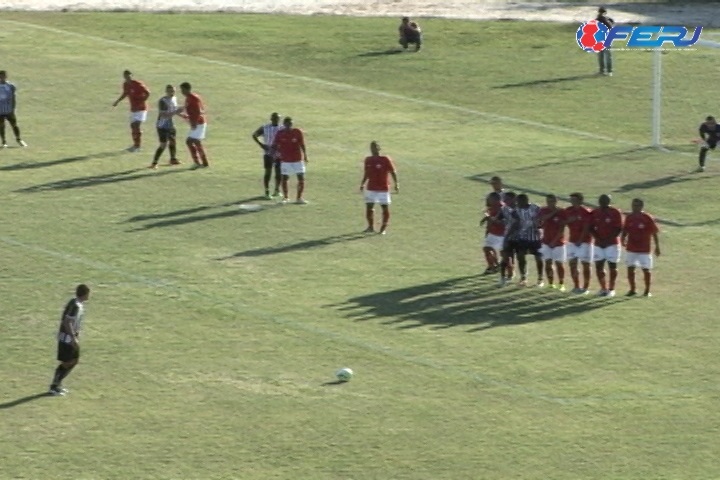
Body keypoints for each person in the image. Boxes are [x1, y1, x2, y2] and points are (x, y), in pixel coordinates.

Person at [49, 284, 90, 396]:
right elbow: (68, 322)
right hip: (67, 339)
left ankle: (57, 384)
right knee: (67, 362)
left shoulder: (76, 303)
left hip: (70, 337)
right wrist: (73, 338)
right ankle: (54, 386)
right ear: (85, 294)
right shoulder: (75, 305)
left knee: (74, 360)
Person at [621, 198, 660, 297]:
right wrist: (622, 239)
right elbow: (625, 230)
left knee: (646, 269)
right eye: (633, 205)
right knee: (630, 268)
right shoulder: (629, 217)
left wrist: (657, 246)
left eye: (637, 205)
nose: (635, 207)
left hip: (644, 249)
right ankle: (632, 289)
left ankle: (647, 291)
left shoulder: (647, 218)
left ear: (642, 206)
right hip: (631, 248)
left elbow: (654, 233)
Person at [360, 141, 399, 234]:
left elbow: (393, 171)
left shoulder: (385, 159)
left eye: (375, 147)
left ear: (379, 148)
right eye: (371, 147)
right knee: (369, 207)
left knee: (384, 208)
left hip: (383, 188)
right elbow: (367, 173)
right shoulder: (368, 160)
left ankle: (383, 229)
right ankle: (370, 227)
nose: (373, 149)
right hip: (371, 187)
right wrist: (362, 183)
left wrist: (396, 183)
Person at [507, 193, 544, 287]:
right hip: (523, 236)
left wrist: (539, 226)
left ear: (525, 201)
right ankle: (523, 277)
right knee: (520, 256)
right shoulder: (517, 210)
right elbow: (515, 221)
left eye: (518, 201)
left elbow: (542, 219)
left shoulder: (535, 208)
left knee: (538, 258)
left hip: (536, 237)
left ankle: (540, 279)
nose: (517, 203)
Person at [590, 194, 623, 297]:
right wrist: (599, 239)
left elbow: (618, 229)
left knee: (612, 266)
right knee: (599, 266)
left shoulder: (615, 212)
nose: (603, 202)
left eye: (605, 201)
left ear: (609, 201)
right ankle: (603, 288)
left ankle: (611, 289)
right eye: (601, 201)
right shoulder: (595, 212)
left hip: (612, 244)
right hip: (598, 244)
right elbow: (591, 227)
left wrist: (607, 241)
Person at [271, 117, 308, 204]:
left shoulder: (297, 132)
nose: (289, 126)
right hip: (286, 160)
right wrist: (274, 155)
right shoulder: (280, 134)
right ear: (284, 124)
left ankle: (299, 198)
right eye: (287, 124)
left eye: (290, 124)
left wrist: (305, 155)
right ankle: (286, 197)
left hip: (298, 159)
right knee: (285, 178)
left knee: (301, 178)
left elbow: (302, 144)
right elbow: (275, 145)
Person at [112, 70, 150, 152]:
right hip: (133, 109)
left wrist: (143, 101)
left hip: (141, 109)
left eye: (129, 76)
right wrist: (117, 101)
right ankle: (135, 145)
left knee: (136, 125)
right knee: (133, 126)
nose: (127, 77)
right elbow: (125, 93)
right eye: (125, 76)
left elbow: (147, 93)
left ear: (132, 75)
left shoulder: (138, 84)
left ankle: (138, 146)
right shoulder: (126, 85)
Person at [564, 192, 594, 294]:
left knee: (585, 264)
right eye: (571, 199)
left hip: (584, 242)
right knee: (572, 264)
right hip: (572, 241)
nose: (572, 201)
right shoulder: (568, 211)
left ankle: (585, 287)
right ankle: (576, 286)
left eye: (574, 200)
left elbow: (587, 228)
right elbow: (562, 222)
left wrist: (580, 240)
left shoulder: (585, 212)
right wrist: (569, 220)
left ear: (580, 201)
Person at [175, 82, 209, 168]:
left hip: (199, 123)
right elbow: (189, 110)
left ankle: (198, 163)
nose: (181, 92)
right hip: (198, 122)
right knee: (195, 142)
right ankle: (203, 163)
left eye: (182, 90)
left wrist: (194, 123)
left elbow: (198, 111)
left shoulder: (193, 98)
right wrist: (179, 113)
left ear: (187, 89)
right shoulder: (189, 98)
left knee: (190, 141)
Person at [539, 194, 568, 291]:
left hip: (558, 242)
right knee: (548, 262)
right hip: (546, 241)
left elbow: (562, 228)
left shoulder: (562, 212)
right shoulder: (543, 210)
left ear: (556, 201)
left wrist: (555, 241)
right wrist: (554, 212)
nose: (549, 203)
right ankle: (550, 283)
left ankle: (561, 283)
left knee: (559, 263)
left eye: (552, 201)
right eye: (548, 201)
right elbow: (543, 219)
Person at [252, 112, 284, 199]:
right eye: (275, 118)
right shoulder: (265, 127)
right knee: (268, 172)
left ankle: (277, 190)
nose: (276, 120)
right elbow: (254, 135)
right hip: (268, 153)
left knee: (278, 172)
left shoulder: (282, 128)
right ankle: (267, 191)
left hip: (279, 153)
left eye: (278, 118)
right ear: (271, 119)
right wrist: (261, 145)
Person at [150, 84, 179, 169]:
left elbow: (175, 110)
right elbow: (163, 115)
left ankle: (173, 159)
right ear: (166, 91)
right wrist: (176, 112)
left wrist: (184, 116)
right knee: (163, 144)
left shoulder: (174, 99)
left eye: (173, 91)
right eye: (170, 91)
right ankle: (154, 163)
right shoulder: (162, 101)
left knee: (173, 141)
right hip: (162, 125)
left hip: (171, 124)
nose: (172, 93)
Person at [0, 70, 27, 148]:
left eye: (4, 76)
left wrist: (13, 108)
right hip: (0, 110)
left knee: (14, 125)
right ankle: (4, 142)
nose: (2, 78)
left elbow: (13, 97)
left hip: (9, 110)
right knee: (1, 126)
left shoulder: (11, 86)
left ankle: (19, 139)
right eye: (1, 76)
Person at [480, 192, 505, 275]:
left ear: (496, 200)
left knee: (504, 253)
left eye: (490, 199)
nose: (488, 200)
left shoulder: (502, 208)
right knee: (486, 249)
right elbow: (490, 218)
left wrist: (488, 218)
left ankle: (502, 268)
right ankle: (493, 266)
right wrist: (485, 220)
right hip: (492, 232)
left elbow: (501, 222)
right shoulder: (491, 207)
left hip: (501, 234)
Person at [497, 191, 517, 286]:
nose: (505, 201)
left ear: (514, 199)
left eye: (507, 199)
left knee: (520, 257)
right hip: (508, 236)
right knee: (505, 256)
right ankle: (503, 277)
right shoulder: (504, 209)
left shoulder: (520, 209)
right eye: (504, 199)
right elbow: (499, 219)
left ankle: (522, 277)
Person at [596, 7, 614, 76]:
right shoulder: (599, 20)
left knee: (606, 55)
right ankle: (603, 70)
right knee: (602, 55)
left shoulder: (605, 19)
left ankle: (608, 71)